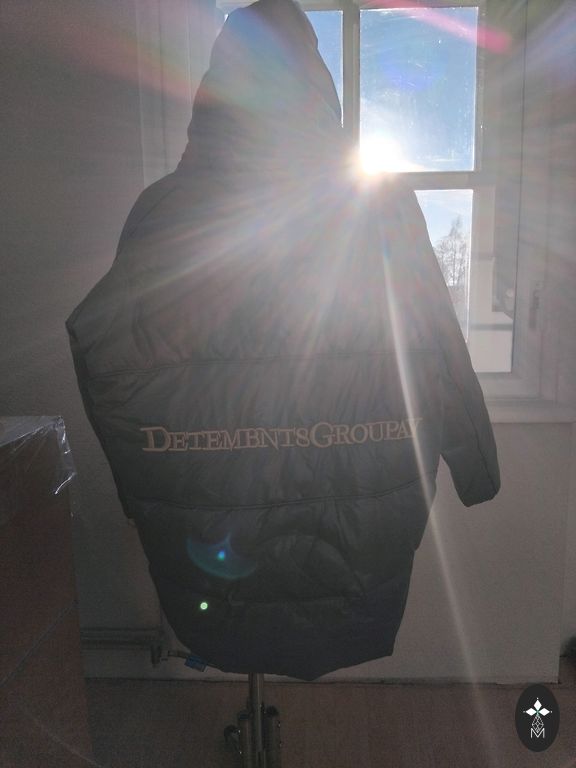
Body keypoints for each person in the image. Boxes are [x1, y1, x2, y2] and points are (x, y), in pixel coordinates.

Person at [66, 0, 500, 680]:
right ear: (319, 87)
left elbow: (105, 352)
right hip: (358, 552)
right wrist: (476, 470)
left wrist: (142, 477)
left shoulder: (164, 210)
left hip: (212, 547)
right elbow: (439, 346)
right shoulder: (381, 204)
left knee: (231, 619)